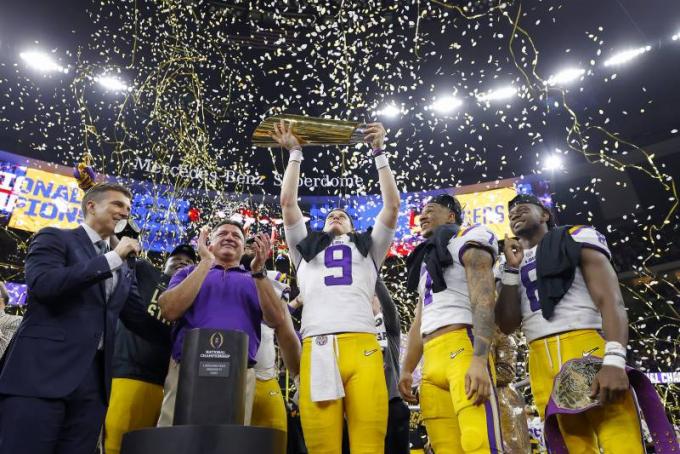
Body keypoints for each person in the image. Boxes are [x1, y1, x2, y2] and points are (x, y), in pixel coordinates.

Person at [0, 183, 168, 454]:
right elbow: (44, 285)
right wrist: (114, 257)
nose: (125, 213)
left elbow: (138, 319)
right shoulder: (55, 238)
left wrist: (189, 340)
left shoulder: (123, 265)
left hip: (93, 386)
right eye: (118, 204)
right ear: (91, 206)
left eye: (129, 208)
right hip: (41, 375)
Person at [274, 119, 400, 454]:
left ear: (353, 225)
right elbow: (287, 203)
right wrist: (296, 154)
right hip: (318, 345)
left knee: (369, 446)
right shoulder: (306, 250)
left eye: (343, 215)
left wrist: (379, 153)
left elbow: (392, 207)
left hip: (363, 345)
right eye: (330, 214)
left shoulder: (368, 248)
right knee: (322, 447)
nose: (336, 216)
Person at [494, 193, 645, 453]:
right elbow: (507, 325)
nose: (515, 214)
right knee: (570, 446)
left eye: (522, 208)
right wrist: (510, 270)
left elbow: (610, 300)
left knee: (620, 439)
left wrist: (614, 360)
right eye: (510, 214)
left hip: (583, 344)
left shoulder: (576, 236)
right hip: (539, 358)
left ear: (545, 214)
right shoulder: (507, 262)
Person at [399, 194, 503, 454]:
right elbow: (420, 319)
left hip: (462, 348)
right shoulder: (429, 259)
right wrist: (407, 368)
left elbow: (484, 298)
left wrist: (479, 359)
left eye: (430, 210)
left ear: (451, 216)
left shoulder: (467, 238)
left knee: (478, 443)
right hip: (431, 361)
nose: (422, 216)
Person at [157, 221, 286, 426]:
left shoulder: (256, 279)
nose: (229, 237)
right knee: (174, 439)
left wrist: (259, 271)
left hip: (239, 372)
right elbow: (169, 310)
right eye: (222, 234)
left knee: (229, 442)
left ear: (244, 248)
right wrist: (205, 262)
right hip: (186, 369)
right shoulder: (187, 272)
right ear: (210, 244)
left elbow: (276, 319)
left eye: (236, 236)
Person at [104, 244, 196, 454]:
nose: (182, 262)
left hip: (169, 385)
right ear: (164, 264)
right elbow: (118, 253)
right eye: (176, 259)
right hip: (129, 375)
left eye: (189, 262)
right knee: (116, 446)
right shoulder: (145, 271)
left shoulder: (192, 295)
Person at [241, 237, 302, 436]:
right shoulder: (214, 275)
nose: (251, 246)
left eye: (257, 243)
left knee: (276, 441)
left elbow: (286, 333)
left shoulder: (273, 279)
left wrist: (299, 377)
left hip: (265, 378)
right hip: (226, 377)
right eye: (247, 242)